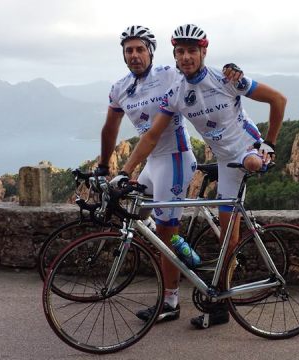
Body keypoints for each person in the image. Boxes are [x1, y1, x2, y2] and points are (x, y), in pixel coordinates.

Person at [114, 23, 287, 329]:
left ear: (203, 52)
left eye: (192, 51)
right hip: (221, 160)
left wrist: (269, 143)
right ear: (174, 55)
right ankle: (212, 287)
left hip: (246, 152)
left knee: (231, 230)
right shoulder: (177, 91)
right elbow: (152, 136)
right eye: (180, 52)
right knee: (220, 235)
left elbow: (279, 100)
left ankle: (221, 304)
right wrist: (124, 171)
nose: (186, 57)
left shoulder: (228, 78)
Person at [95, 25, 243, 324]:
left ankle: (171, 301)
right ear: (123, 55)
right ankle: (184, 251)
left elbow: (198, 70)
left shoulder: (169, 74)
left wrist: (232, 71)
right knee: (137, 215)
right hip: (152, 163)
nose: (134, 55)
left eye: (140, 49)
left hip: (175, 159)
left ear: (150, 51)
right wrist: (104, 165)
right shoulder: (120, 87)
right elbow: (110, 129)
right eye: (129, 50)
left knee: (164, 233)